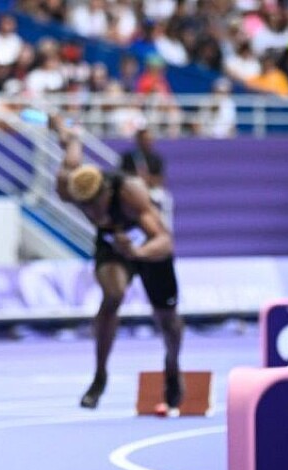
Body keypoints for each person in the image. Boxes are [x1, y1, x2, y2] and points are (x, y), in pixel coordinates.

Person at [46, 113, 183, 413]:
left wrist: (139, 253)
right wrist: (61, 128)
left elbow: (165, 240)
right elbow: (73, 145)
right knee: (113, 295)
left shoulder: (130, 192)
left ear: (107, 192)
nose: (94, 213)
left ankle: (172, 366)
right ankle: (99, 375)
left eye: (97, 205)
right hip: (113, 245)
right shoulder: (70, 186)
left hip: (147, 247)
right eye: (86, 208)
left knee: (168, 321)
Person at [119, 124, 171, 230]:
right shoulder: (128, 158)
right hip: (133, 190)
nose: (147, 142)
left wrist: (147, 179)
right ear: (138, 140)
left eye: (149, 139)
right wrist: (137, 180)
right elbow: (122, 177)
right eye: (144, 139)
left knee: (165, 198)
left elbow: (160, 179)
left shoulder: (156, 158)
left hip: (151, 190)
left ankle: (163, 228)